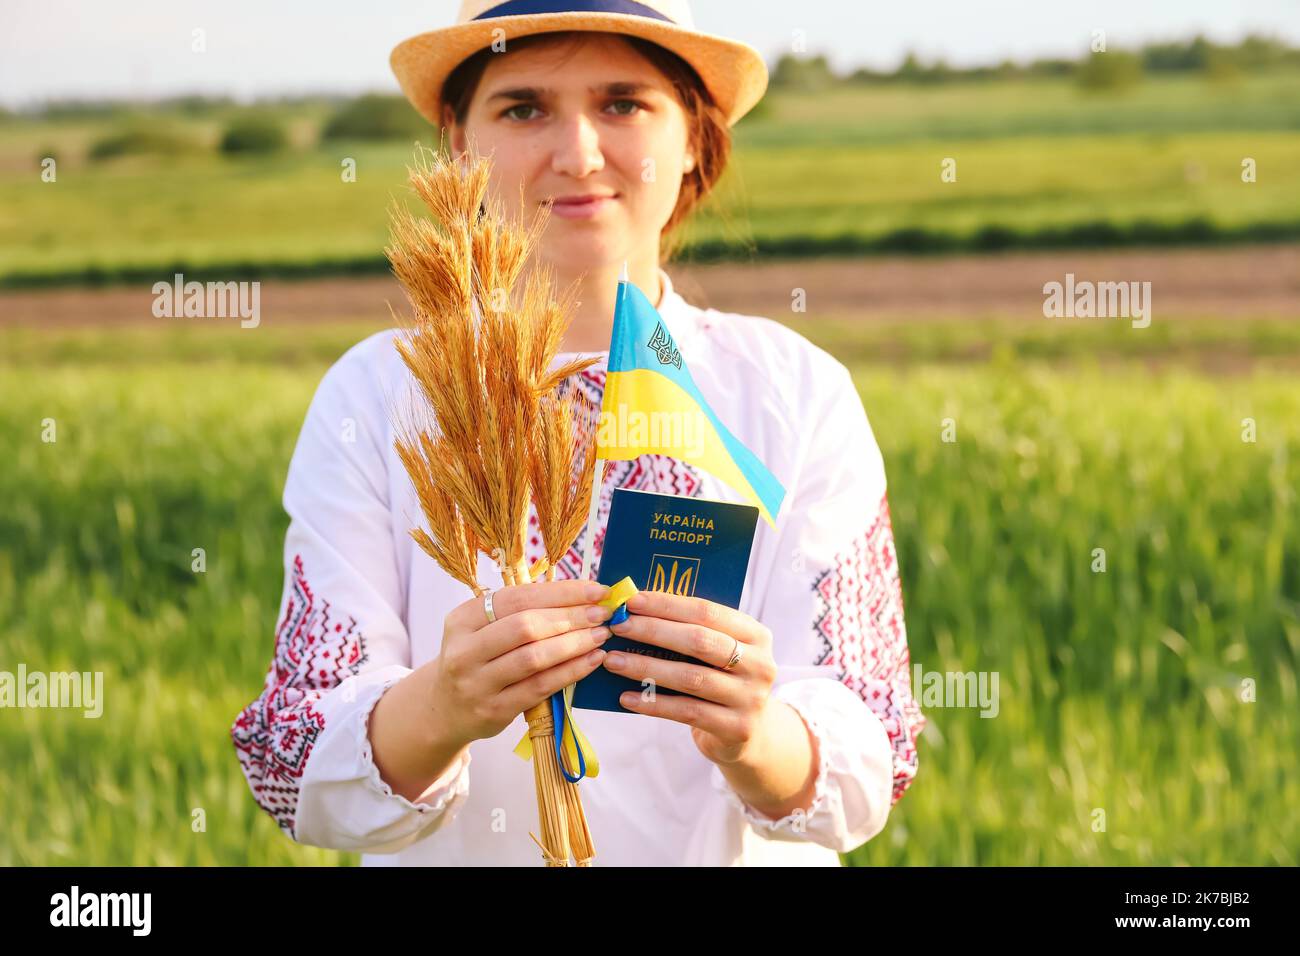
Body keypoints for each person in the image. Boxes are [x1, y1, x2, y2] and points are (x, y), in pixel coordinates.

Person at [231, 0, 925, 866]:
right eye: (522, 107)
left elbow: (871, 753)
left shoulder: (795, 392)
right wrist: (445, 704)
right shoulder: (377, 395)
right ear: (456, 141)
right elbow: (297, 761)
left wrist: (757, 732)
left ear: (696, 140)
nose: (578, 153)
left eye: (624, 102)